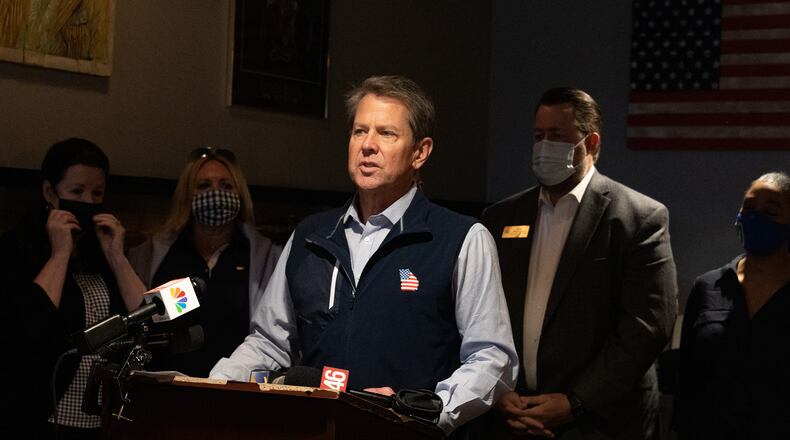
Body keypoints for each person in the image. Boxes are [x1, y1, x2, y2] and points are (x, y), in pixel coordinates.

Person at [210, 75, 518, 434]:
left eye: (386, 133)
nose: (367, 145)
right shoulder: (310, 236)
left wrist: (429, 412)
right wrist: (216, 385)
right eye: (359, 131)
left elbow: (493, 357)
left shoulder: (461, 238)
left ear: (420, 152)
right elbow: (269, 343)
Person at [481, 87, 678, 439]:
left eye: (556, 136)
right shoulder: (501, 217)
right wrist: (499, 390)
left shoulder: (638, 218)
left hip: (599, 422)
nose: (543, 146)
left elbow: (647, 327)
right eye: (538, 136)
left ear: (591, 143)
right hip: (513, 416)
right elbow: (484, 315)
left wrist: (576, 402)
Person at [0, 138, 147, 438]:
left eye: (97, 193)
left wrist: (117, 256)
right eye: (77, 192)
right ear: (50, 193)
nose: (88, 203)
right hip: (40, 415)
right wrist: (60, 253)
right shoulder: (15, 250)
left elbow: (149, 318)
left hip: (102, 416)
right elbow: (28, 324)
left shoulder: (102, 256)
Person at [129, 147, 281, 377]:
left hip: (232, 390)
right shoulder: (161, 254)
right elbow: (143, 317)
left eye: (226, 186)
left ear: (239, 194)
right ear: (188, 196)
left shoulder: (261, 257)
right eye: (204, 186)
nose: (215, 193)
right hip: (164, 388)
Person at [674, 172, 790, 439]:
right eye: (749, 208)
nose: (755, 217)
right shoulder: (708, 286)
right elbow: (688, 378)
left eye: (771, 211)